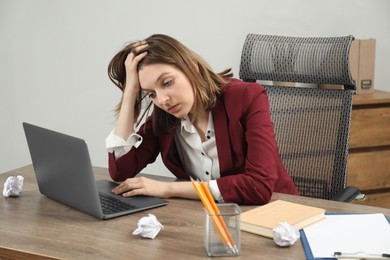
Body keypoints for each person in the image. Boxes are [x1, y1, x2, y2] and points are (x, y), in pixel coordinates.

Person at [105, 34, 299, 205]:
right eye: (151, 94)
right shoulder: (164, 118)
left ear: (192, 66)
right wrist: (130, 91)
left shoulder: (247, 97)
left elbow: (258, 186)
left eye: (167, 83)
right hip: (208, 219)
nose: (162, 100)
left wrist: (168, 189)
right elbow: (121, 171)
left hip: (277, 215)